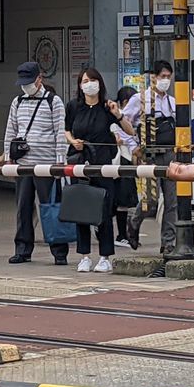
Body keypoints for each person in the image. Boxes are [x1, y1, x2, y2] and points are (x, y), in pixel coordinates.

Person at [64, 68, 132, 272]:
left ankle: (105, 256)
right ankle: (84, 256)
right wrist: (72, 141)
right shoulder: (73, 106)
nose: (89, 84)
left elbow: (130, 131)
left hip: (102, 163)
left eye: (93, 80)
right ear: (80, 84)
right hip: (80, 161)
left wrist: (118, 114)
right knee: (81, 209)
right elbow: (67, 129)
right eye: (85, 80)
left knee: (103, 209)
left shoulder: (106, 107)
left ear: (100, 83)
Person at [2, 61, 68, 265]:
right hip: (23, 163)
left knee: (51, 206)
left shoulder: (53, 101)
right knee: (23, 207)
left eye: (29, 82)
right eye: (23, 82)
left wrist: (60, 163)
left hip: (47, 164)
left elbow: (60, 133)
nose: (25, 86)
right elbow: (10, 130)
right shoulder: (18, 102)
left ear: (39, 79)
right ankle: (22, 249)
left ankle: (59, 251)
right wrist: (8, 157)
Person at [126, 61, 177, 255]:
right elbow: (122, 124)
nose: (166, 80)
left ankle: (168, 242)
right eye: (162, 76)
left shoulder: (173, 102)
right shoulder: (140, 99)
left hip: (171, 154)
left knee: (172, 201)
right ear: (153, 77)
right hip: (150, 155)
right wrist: (134, 146)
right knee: (151, 200)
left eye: (168, 76)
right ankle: (134, 220)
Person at [112, 85, 140, 245]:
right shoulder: (116, 117)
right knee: (121, 200)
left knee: (125, 201)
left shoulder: (128, 119)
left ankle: (125, 234)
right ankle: (122, 235)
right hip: (119, 160)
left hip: (127, 159)